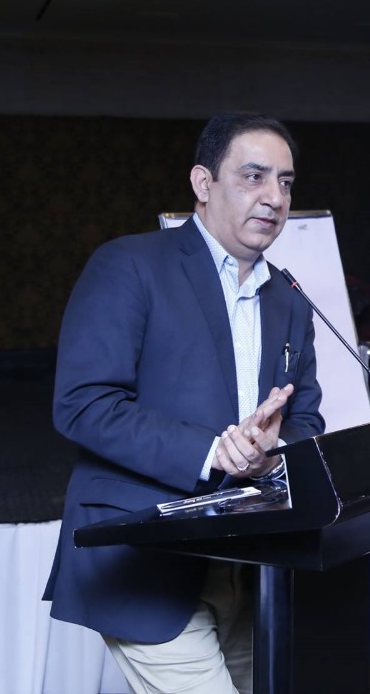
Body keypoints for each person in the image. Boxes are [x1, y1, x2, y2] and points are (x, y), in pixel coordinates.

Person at [43, 112, 325, 693]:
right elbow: (84, 404)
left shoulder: (290, 298)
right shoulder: (129, 264)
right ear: (203, 183)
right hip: (146, 553)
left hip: (250, 558)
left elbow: (306, 420)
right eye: (253, 176)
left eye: (286, 182)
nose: (275, 198)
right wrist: (213, 452)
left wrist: (270, 454)